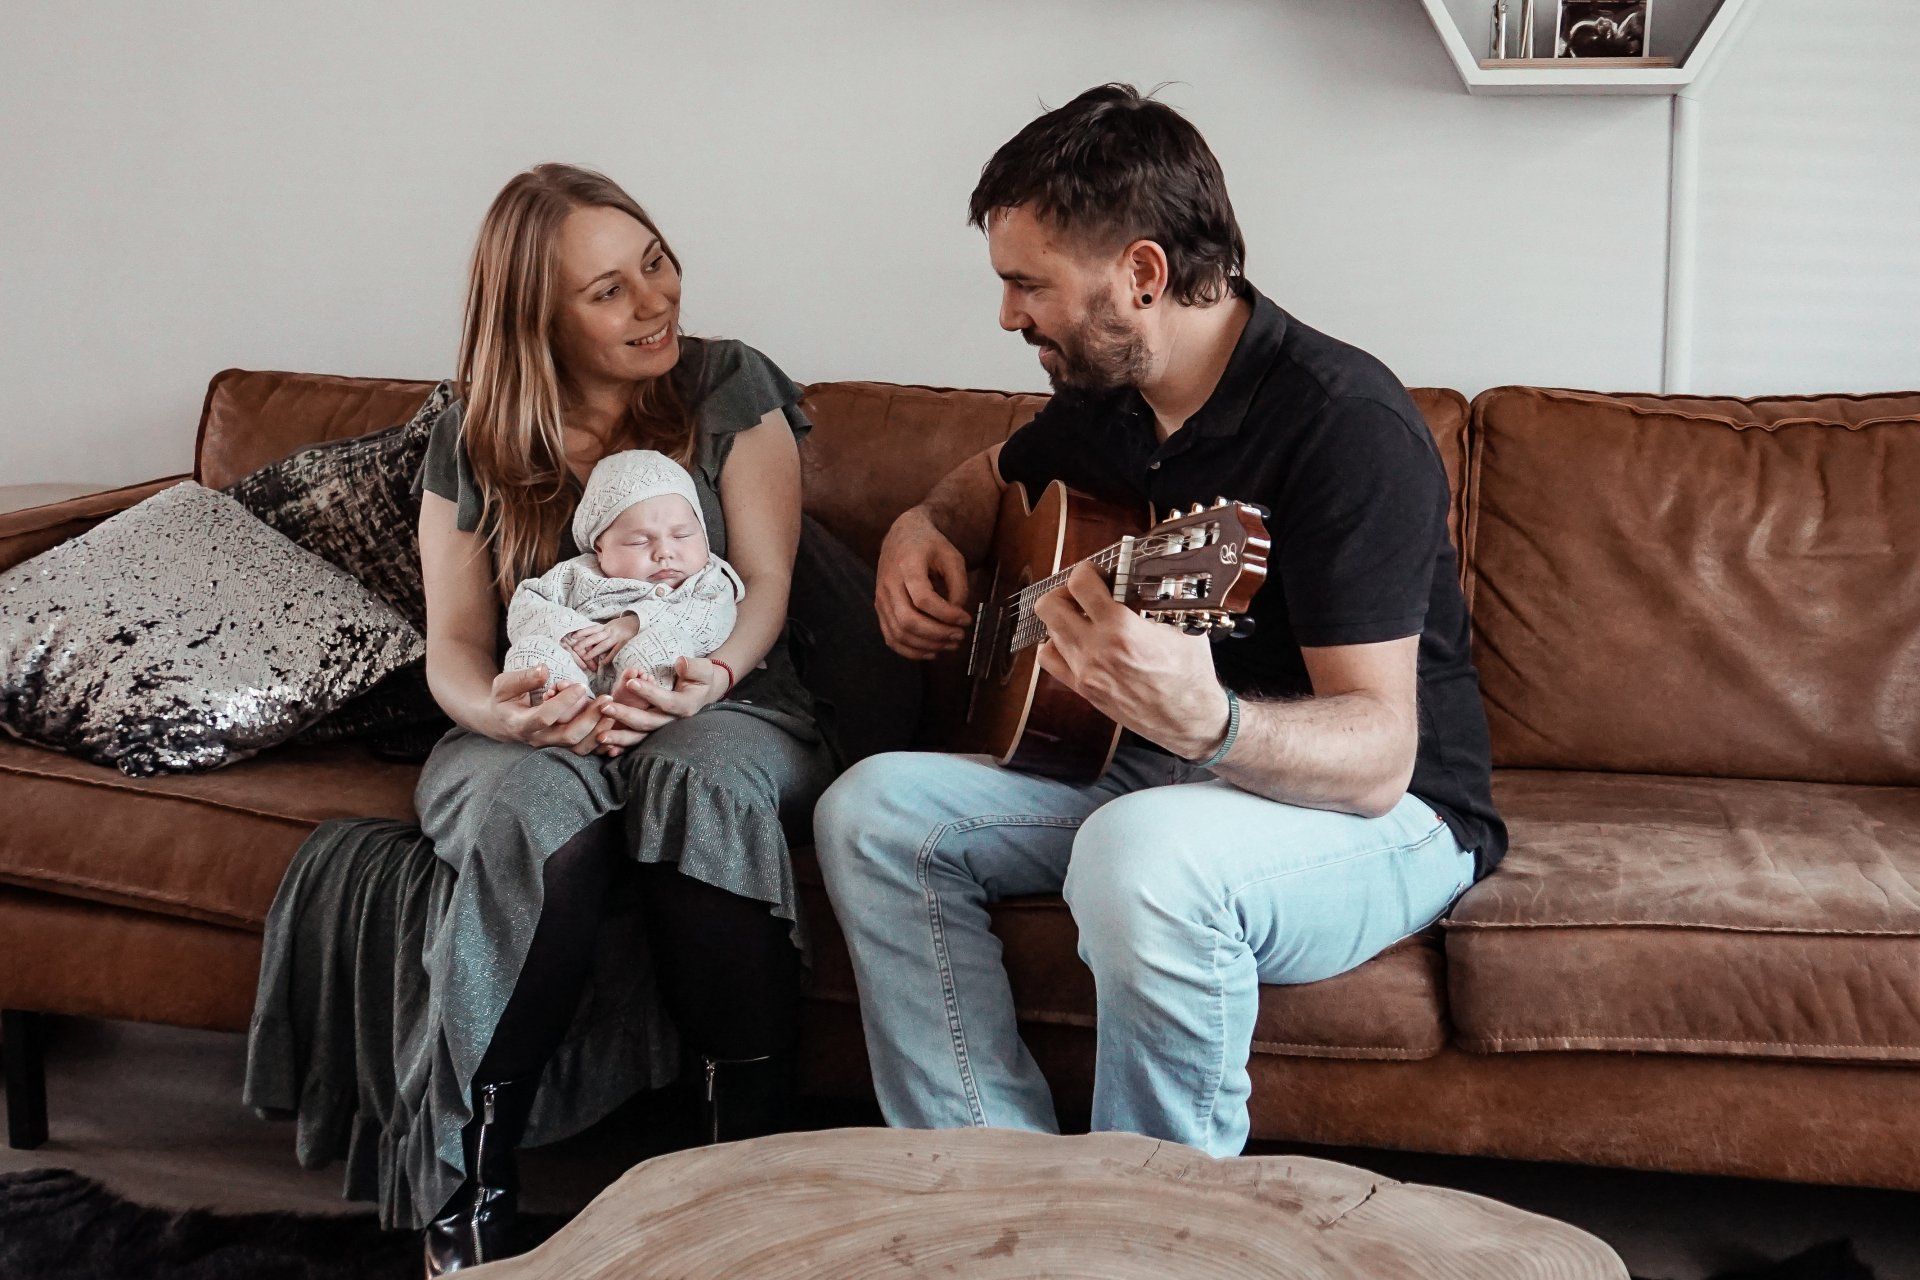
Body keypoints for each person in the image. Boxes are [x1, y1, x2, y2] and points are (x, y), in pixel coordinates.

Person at [812, 85, 1507, 1159]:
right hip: (1157, 773)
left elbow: (1379, 755)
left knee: (1137, 852)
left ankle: (1152, 1214)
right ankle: (986, 1175)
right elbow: (989, 478)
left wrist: (1212, 722)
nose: (1008, 317)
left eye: (1027, 284)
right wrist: (922, 526)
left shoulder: (1345, 426)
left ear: (1141, 274)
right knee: (869, 811)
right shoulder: (1107, 393)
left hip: (1385, 814)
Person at [245, 163, 833, 1277]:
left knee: (699, 776)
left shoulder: (729, 385)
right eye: (609, 291)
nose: (655, 300)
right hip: (535, 717)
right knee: (524, 807)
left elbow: (764, 586)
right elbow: (458, 647)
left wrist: (708, 676)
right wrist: (503, 718)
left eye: (654, 262)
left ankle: (743, 1176)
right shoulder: (473, 435)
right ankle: (471, 1188)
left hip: (731, 697)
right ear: (537, 318)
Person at [503, 448, 745, 697]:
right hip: (577, 671)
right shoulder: (577, 573)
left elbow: (714, 619)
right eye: (639, 541)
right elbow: (527, 603)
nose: (664, 552)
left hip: (645, 671)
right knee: (529, 652)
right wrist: (565, 632)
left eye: (681, 535)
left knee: (665, 643)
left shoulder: (707, 579)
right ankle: (568, 705)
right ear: (600, 549)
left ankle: (635, 699)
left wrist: (636, 623)